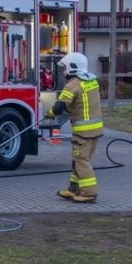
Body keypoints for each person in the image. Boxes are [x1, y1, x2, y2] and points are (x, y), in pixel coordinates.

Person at [46, 51, 104, 203]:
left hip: (83, 132)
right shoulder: (91, 81)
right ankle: (74, 189)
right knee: (77, 160)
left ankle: (89, 193)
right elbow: (81, 102)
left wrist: (50, 113)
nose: (64, 71)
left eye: (65, 68)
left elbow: (59, 107)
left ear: (73, 68)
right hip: (95, 130)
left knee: (81, 161)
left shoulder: (72, 85)